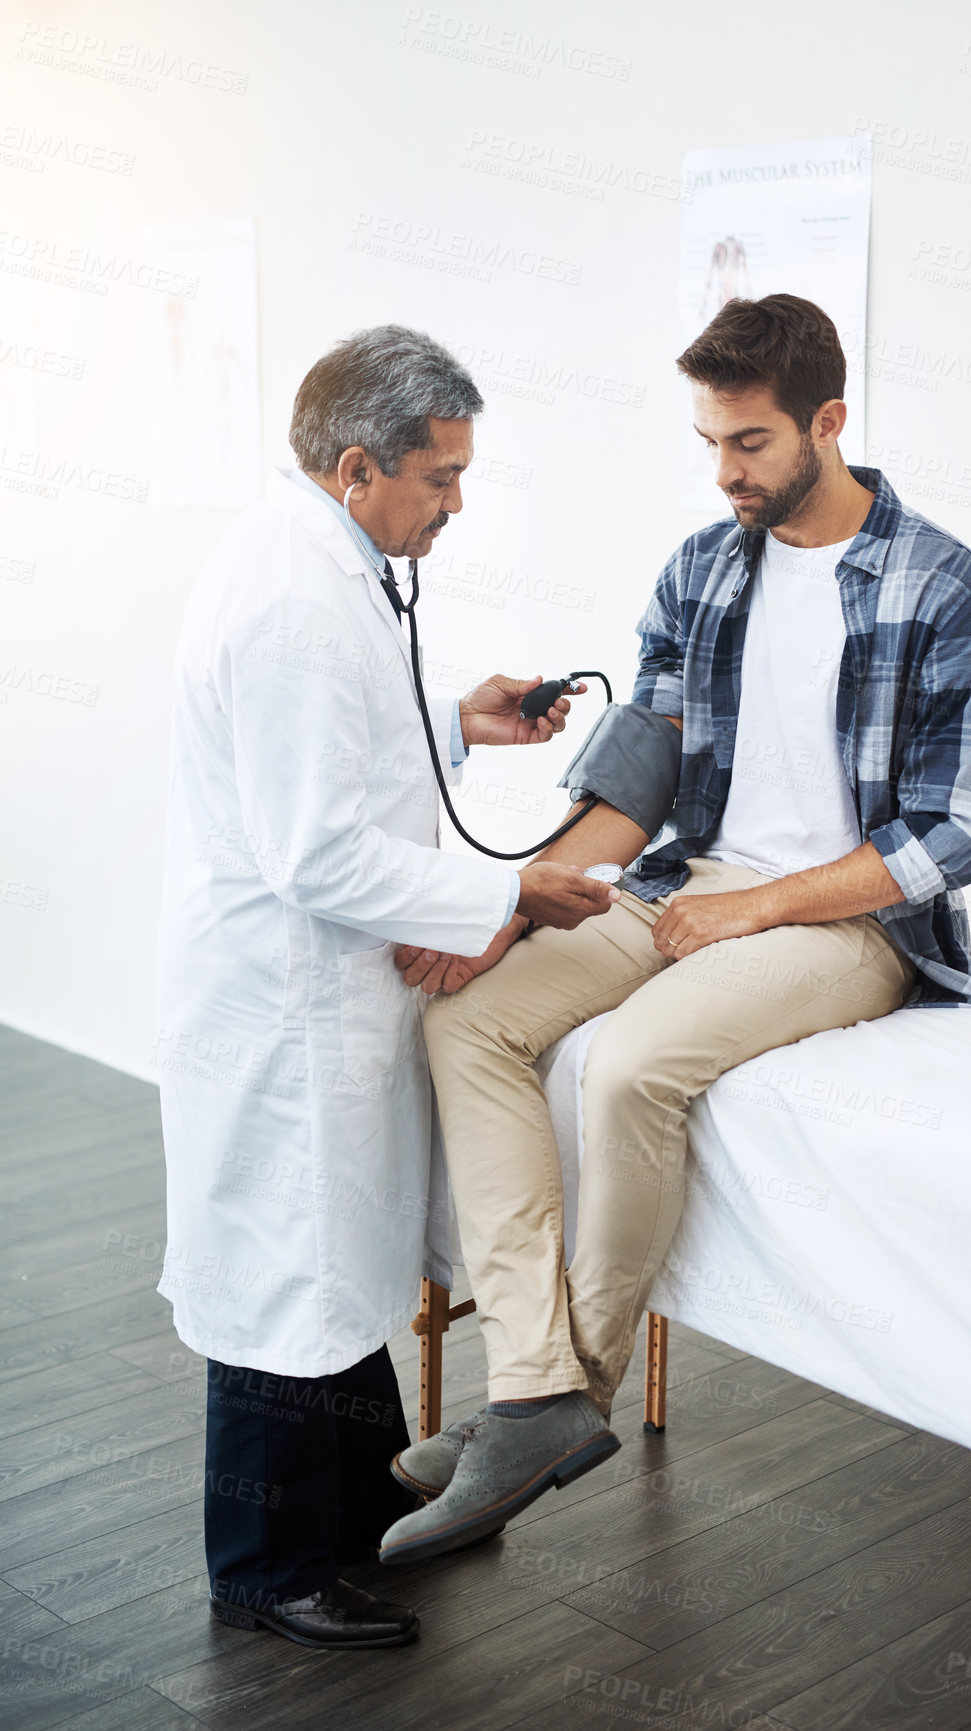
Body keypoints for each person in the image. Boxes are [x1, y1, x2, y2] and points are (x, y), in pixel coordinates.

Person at [378, 293, 971, 1565]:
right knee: (468, 1019)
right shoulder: (701, 569)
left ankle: (565, 1398)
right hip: (688, 882)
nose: (726, 472)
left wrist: (757, 907)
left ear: (829, 422)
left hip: (854, 921)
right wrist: (507, 911)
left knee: (629, 1065)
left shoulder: (943, 584)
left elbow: (957, 837)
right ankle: (532, 1381)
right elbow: (639, 786)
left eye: (753, 444)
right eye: (712, 443)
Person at [154, 326, 618, 1649]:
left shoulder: (324, 554)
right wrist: (509, 896)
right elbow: (310, 846)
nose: (456, 501)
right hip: (285, 996)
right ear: (358, 467)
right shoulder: (299, 596)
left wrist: (453, 718)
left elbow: (347, 749)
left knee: (340, 1269)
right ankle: (266, 1567)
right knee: (284, 1288)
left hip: (327, 993)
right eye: (440, 477)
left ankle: (359, 1515)